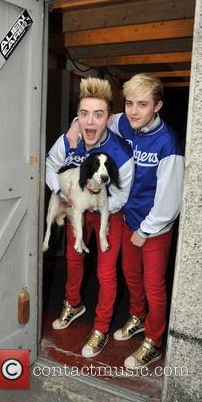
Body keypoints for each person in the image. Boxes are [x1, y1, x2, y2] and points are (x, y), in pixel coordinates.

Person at [66, 73, 184, 368]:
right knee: (131, 276)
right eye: (129, 103)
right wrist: (73, 128)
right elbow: (96, 118)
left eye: (142, 105)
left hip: (154, 226)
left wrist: (146, 230)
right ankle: (137, 317)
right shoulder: (127, 123)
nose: (133, 110)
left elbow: (170, 201)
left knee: (154, 284)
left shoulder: (168, 144)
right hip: (129, 220)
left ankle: (153, 342)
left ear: (157, 106)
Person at [45, 77, 134, 358]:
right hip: (77, 208)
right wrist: (63, 191)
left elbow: (120, 197)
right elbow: (50, 166)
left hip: (109, 213)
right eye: (84, 114)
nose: (90, 122)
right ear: (77, 116)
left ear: (109, 119)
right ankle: (73, 304)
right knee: (74, 258)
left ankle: (101, 328)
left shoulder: (122, 153)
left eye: (98, 114)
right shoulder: (69, 140)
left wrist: (94, 204)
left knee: (105, 273)